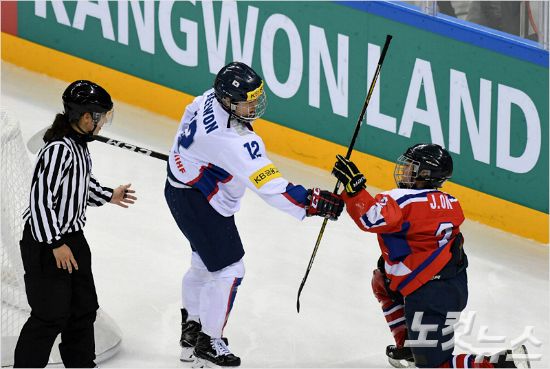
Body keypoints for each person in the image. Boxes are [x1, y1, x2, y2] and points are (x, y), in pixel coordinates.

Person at [164, 61, 344, 367]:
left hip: (181, 189)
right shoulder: (233, 141)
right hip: (203, 202)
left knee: (202, 265)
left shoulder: (208, 98)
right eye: (247, 102)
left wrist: (190, 163)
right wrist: (311, 202)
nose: (254, 106)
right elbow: (272, 187)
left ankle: (191, 335)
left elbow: (191, 131)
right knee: (231, 270)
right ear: (228, 101)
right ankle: (209, 341)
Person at [331, 144, 530, 368]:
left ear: (424, 175)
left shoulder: (401, 199)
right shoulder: (452, 203)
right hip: (452, 287)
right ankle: (409, 346)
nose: (404, 170)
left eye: (410, 167)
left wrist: (355, 189)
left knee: (435, 365)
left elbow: (371, 218)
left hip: (428, 297)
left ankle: (507, 363)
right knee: (383, 280)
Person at [14, 80, 137, 368]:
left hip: (72, 238)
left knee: (83, 310)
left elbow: (79, 186)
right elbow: (40, 200)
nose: (104, 123)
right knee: (50, 315)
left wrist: (109, 195)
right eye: (101, 117)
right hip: (45, 242)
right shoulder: (58, 149)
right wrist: (56, 243)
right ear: (85, 117)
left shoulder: (79, 146)